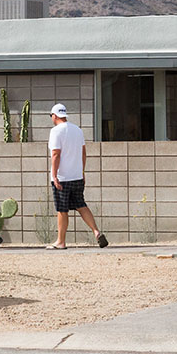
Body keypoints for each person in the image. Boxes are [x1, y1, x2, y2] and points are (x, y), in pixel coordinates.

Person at [46, 103, 108, 250]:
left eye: (51, 116)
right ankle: (96, 231)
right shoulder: (77, 130)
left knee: (62, 210)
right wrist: (82, 172)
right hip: (77, 176)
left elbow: (55, 154)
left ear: (54, 116)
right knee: (81, 205)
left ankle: (61, 241)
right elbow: (83, 153)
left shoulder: (55, 131)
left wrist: (54, 176)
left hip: (62, 177)